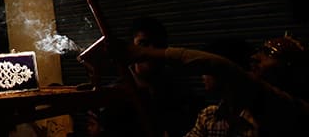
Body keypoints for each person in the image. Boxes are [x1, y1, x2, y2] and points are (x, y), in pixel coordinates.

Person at [113, 34, 309, 136]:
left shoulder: (289, 108)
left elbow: (220, 66)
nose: (255, 59)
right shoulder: (210, 116)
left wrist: (142, 52)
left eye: (269, 54)